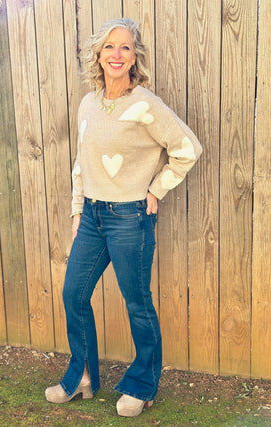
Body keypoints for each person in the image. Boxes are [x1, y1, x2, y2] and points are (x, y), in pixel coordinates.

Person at [45, 17, 202, 417]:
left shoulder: (145, 104)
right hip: (93, 218)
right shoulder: (88, 103)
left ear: (135, 57)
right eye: (109, 47)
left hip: (130, 218)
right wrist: (79, 210)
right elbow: (82, 163)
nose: (117, 54)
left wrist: (155, 190)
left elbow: (188, 148)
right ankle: (80, 376)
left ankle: (143, 385)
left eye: (125, 47)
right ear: (98, 54)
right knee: (73, 294)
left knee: (137, 303)